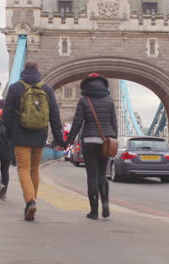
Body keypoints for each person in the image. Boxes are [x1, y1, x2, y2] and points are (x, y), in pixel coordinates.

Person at [3, 62, 64, 221]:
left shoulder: (15, 88)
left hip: (20, 135)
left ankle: (30, 201)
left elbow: (7, 114)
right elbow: (55, 116)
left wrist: (9, 135)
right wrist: (59, 139)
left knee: (23, 168)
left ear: (23, 72)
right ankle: (31, 202)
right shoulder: (47, 89)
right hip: (39, 135)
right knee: (34, 169)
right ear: (38, 71)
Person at [65, 73, 118, 220]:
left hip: (89, 141)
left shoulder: (84, 100)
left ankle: (94, 211)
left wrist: (68, 142)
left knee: (92, 176)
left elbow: (77, 123)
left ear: (87, 85)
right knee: (102, 174)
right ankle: (105, 204)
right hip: (106, 141)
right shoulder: (109, 100)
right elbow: (114, 122)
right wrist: (114, 139)